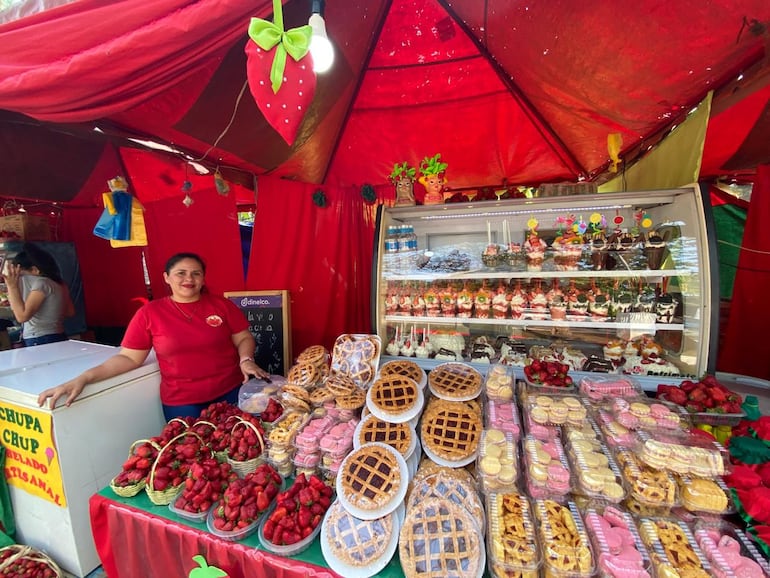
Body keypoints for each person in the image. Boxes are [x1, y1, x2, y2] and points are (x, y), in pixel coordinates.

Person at [36, 252, 269, 420]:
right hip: (182, 402)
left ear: (203, 278)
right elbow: (128, 358)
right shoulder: (149, 313)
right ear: (166, 277)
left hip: (231, 391)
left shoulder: (221, 305)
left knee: (238, 452)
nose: (189, 279)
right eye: (181, 273)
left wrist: (246, 359)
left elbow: (243, 337)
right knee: (194, 462)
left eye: (195, 273)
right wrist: (84, 378)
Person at [2, 242, 75, 347]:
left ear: (35, 270)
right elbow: (69, 312)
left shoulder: (42, 283)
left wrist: (12, 286)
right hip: (58, 334)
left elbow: (22, 317)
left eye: (22, 275)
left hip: (39, 338)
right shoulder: (60, 283)